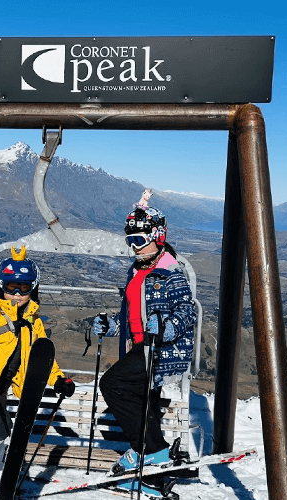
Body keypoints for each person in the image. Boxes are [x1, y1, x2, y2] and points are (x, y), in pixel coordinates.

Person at [98, 189, 199, 497]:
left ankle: (153, 453)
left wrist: (168, 327)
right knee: (146, 407)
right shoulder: (138, 271)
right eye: (130, 241)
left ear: (157, 236)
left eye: (139, 240)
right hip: (141, 346)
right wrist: (113, 325)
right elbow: (133, 315)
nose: (134, 247)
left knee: (112, 384)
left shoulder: (170, 270)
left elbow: (188, 310)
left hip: (160, 350)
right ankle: (153, 475)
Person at [0, 245, 72, 498]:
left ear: (33, 288)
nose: (17, 295)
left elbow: (43, 358)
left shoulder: (33, 321)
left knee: (4, 434)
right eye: (10, 288)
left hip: (1, 388)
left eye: (24, 288)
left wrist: (58, 379)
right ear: (0, 286)